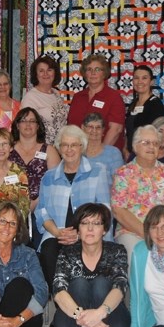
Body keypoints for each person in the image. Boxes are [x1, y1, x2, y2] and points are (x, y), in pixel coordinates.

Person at [52, 203, 129, 327]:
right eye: (85, 223)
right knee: (78, 284)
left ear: (105, 229)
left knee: (102, 283)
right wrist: (82, 316)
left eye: (96, 223)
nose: (90, 228)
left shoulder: (117, 251)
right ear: (78, 228)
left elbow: (120, 286)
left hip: (111, 320)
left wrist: (99, 313)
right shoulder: (67, 253)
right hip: (72, 319)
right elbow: (58, 289)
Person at [35, 125, 112, 291]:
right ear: (59, 148)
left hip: (89, 232)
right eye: (64, 145)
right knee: (49, 251)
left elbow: (104, 208)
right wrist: (57, 233)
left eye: (74, 145)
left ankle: (81, 299)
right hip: (57, 232)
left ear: (82, 147)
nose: (69, 149)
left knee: (85, 250)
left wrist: (80, 233)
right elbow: (41, 211)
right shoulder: (49, 177)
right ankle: (60, 298)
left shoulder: (98, 171)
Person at [111, 125, 164, 260]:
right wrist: (149, 233)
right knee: (136, 256)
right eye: (146, 143)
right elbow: (119, 210)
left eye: (155, 143)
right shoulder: (123, 173)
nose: (151, 147)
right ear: (135, 146)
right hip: (133, 232)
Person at [67, 54, 126, 151]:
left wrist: (99, 154)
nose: (93, 73)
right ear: (85, 74)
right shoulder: (78, 97)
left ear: (104, 73)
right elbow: (71, 127)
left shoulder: (114, 97)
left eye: (97, 69)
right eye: (89, 69)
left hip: (106, 155)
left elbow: (116, 130)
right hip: (78, 154)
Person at [9, 107, 61, 211]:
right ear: (17, 125)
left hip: (43, 206)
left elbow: (56, 182)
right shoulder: (7, 149)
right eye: (23, 120)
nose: (28, 124)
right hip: (11, 207)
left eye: (32, 121)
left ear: (38, 126)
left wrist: (36, 202)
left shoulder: (49, 151)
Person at [21, 55, 68, 144]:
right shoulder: (30, 97)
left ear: (55, 73)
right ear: (36, 74)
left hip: (61, 147)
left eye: (49, 70)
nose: (46, 74)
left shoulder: (56, 94)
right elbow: (26, 128)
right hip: (42, 149)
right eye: (41, 71)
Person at [125, 65, 164, 156]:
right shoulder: (133, 103)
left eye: (144, 78)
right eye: (136, 78)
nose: (140, 81)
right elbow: (128, 130)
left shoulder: (156, 104)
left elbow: (157, 134)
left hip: (146, 154)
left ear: (151, 82)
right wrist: (125, 149)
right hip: (131, 153)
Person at [83, 113, 124, 179]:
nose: (94, 130)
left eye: (98, 127)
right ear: (83, 128)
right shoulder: (77, 151)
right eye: (90, 127)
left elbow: (118, 180)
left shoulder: (113, 153)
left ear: (103, 130)